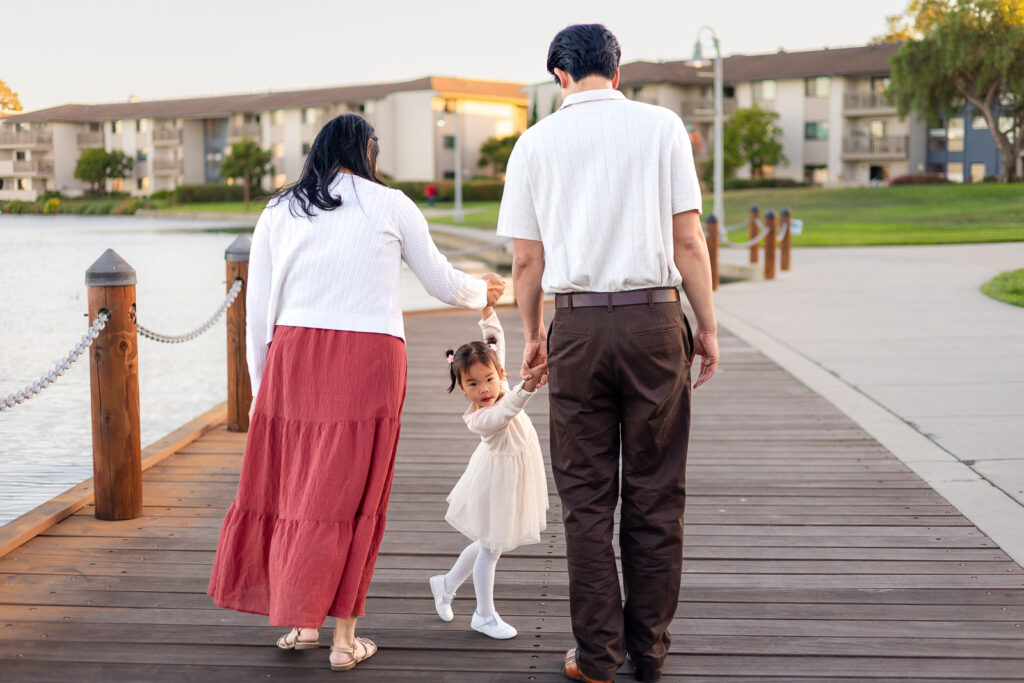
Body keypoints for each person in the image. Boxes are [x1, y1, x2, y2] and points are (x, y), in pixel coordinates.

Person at [207, 113, 505, 672]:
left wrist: (259, 387)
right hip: (369, 359)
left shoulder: (278, 210)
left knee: (296, 485)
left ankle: (301, 624)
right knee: (354, 493)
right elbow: (440, 281)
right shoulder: (390, 204)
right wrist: (483, 291)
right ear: (366, 150)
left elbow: (257, 311)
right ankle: (344, 640)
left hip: (294, 357)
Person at [496, 24, 720, 683]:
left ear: (559, 76)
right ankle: (648, 653)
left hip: (578, 328)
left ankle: (597, 656)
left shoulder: (534, 144)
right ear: (615, 72)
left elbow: (526, 260)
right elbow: (688, 241)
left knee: (587, 498)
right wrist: (707, 326)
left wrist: (535, 334)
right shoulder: (662, 128)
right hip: (655, 320)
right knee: (656, 492)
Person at [428, 304, 549, 639]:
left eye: (490, 379)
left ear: (500, 374)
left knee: (487, 542)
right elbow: (506, 411)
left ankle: (447, 584)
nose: (484, 389)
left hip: (516, 474)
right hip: (496, 481)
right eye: (472, 384)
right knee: (491, 546)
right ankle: (483, 614)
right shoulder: (480, 418)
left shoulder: (501, 383)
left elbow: (496, 341)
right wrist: (528, 386)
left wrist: (487, 310)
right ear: (462, 387)